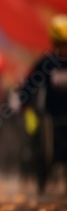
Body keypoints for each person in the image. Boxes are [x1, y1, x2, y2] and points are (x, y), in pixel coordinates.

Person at [19, 13, 67, 193]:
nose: (64, 50)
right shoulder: (47, 63)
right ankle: (39, 170)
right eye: (60, 46)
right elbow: (29, 84)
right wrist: (26, 106)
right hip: (51, 115)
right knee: (38, 137)